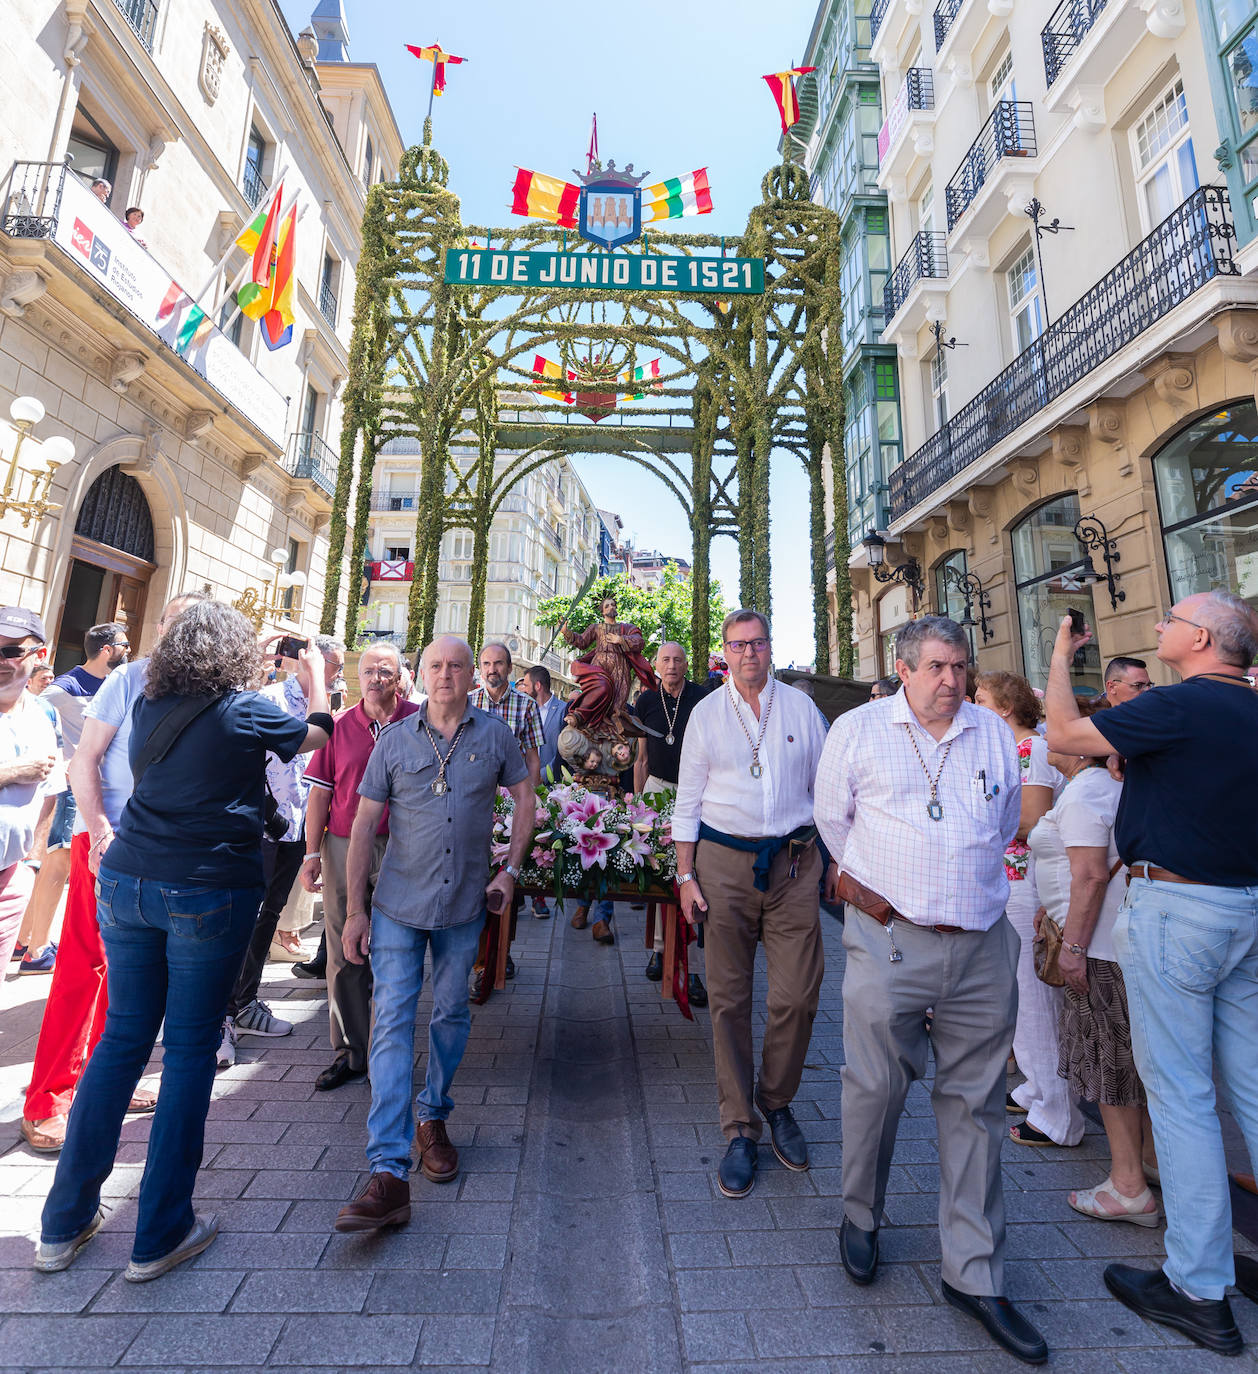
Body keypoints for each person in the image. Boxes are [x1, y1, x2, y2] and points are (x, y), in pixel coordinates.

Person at [34, 601, 331, 1279]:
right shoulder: (242, 709)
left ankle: (63, 1223)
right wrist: (313, 678)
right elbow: (315, 735)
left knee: (121, 1042)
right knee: (192, 1049)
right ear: (231, 656)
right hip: (205, 889)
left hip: (130, 882)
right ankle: (161, 1231)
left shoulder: (150, 707)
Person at [815, 616, 1048, 1366]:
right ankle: (861, 1215)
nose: (953, 680)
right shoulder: (856, 730)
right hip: (889, 940)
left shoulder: (989, 734)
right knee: (875, 1089)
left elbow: (1007, 818)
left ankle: (974, 1275)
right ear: (904, 667)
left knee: (976, 1106)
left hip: (981, 945)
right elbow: (832, 820)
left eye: (961, 666)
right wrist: (883, 894)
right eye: (939, 667)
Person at [1045, 591, 1258, 1356]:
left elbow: (1065, 734)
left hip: (1180, 908)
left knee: (1182, 1096)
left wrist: (1064, 656)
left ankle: (1198, 1288)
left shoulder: (1183, 705)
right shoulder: (1249, 703)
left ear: (1200, 638)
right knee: (1252, 1091)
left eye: (1172, 618)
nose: (1160, 624)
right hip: (1246, 907)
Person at [333, 637, 535, 1231]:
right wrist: (354, 912)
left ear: (474, 675)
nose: (446, 675)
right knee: (392, 1020)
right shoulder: (393, 742)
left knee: (450, 1014)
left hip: (465, 905)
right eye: (436, 666)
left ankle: (433, 1115)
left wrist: (511, 869)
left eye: (457, 666)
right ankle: (388, 1169)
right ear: (419, 676)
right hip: (396, 906)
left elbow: (525, 798)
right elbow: (364, 824)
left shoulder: (496, 736)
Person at [21, 597, 203, 1154]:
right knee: (85, 966)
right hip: (109, 843)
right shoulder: (130, 677)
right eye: (174, 623)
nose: (183, 634)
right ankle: (47, 1098)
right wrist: (101, 833)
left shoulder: (209, 688)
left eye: (194, 625)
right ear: (160, 628)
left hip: (166, 853)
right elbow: (85, 761)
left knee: (134, 974)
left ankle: (105, 1081)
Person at [673, 610, 828, 1199]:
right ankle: (740, 1126)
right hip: (723, 866)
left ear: (770, 647)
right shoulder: (707, 715)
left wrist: (831, 862)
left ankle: (777, 1100)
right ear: (724, 653)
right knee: (730, 1000)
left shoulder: (802, 710)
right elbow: (686, 801)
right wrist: (685, 876)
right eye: (737, 646)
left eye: (757, 644)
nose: (748, 655)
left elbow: (828, 788)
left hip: (793, 863)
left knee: (797, 995)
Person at [1028, 724, 1159, 1228]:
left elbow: (1090, 875)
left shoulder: (1086, 792)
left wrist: (1074, 949)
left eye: (1054, 732)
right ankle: (1146, 1161)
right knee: (1132, 1059)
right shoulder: (1106, 787)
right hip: (1113, 941)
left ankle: (1128, 1186)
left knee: (1110, 1062)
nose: (1046, 738)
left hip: (1098, 948)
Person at [217, 635, 346, 1067]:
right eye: (334, 665)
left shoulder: (325, 705)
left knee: (268, 916)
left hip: (297, 829)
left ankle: (246, 1002)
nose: (339, 674)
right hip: (263, 827)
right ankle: (220, 1021)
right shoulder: (269, 697)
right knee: (244, 919)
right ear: (311, 661)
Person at [301, 643, 418, 1091]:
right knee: (343, 948)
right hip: (344, 843)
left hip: (405, 847)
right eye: (368, 670)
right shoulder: (339, 726)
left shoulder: (418, 721)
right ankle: (351, 1052)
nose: (375, 679)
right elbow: (319, 794)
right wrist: (312, 854)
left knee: (397, 950)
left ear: (400, 677)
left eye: (384, 671)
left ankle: (388, 1054)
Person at [974, 670, 1079, 1148]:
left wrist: (975, 819)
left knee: (1035, 1000)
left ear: (1003, 708)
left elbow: (1031, 821)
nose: (970, 703)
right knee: (1018, 994)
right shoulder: (1008, 749)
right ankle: (1038, 1087)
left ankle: (1058, 1112)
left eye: (979, 698)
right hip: (1009, 879)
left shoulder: (1031, 749)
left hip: (1025, 882)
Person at [14, 624, 129, 975]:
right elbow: (27, 711)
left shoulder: (115, 683)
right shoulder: (64, 687)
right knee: (57, 864)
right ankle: (36, 950)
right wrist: (57, 757)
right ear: (107, 649)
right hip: (68, 787)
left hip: (94, 788)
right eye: (125, 644)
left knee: (58, 865)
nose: (130, 649)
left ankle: (24, 940)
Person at [631, 641, 708, 1005]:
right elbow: (641, 758)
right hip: (657, 789)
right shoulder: (646, 701)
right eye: (666, 660)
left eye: (678, 659)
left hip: (695, 793)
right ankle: (661, 949)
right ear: (656, 665)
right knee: (661, 872)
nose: (672, 665)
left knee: (693, 876)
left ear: (686, 664)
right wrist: (636, 805)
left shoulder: (702, 696)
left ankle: (692, 968)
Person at [468, 643, 542, 979]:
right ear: (479, 668)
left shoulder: (526, 705)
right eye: (486, 664)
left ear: (510, 669)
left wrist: (531, 801)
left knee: (507, 876)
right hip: (473, 802)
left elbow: (532, 759)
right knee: (473, 878)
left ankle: (503, 951)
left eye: (498, 663)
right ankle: (478, 954)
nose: (492, 669)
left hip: (512, 802)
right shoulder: (468, 703)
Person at [0, 608, 62, 971]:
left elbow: (51, 790)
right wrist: (13, 771)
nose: (2, 661)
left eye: (11, 652)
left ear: (39, 655)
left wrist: (32, 863)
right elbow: (29, 774)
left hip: (9, 878)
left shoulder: (41, 717)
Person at [561, 595, 655, 735]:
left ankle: (613, 733)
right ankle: (582, 718)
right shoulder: (596, 628)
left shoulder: (626, 628)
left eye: (613, 604)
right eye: (607, 606)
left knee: (617, 704)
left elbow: (639, 642)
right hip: (599, 667)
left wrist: (621, 639)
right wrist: (566, 633)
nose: (611, 607)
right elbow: (582, 642)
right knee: (600, 689)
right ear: (603, 612)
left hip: (620, 669)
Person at [520, 663, 565, 918]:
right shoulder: (522, 709)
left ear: (537, 686)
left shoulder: (562, 710)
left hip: (553, 784)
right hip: (523, 785)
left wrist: (545, 774)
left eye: (525, 683)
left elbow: (564, 748)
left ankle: (540, 898)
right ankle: (520, 895)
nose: (522, 688)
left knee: (545, 843)